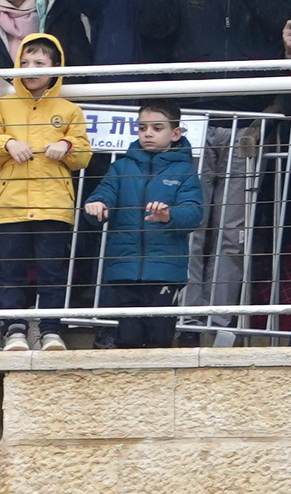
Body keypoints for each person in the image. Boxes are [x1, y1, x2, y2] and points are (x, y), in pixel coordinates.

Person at [0, 27, 87, 350]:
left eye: (39, 64)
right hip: (10, 205)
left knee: (51, 269)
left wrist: (66, 144)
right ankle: (14, 330)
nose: (30, 71)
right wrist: (8, 143)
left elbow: (83, 155)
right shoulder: (1, 107)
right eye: (24, 63)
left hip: (54, 205)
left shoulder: (69, 110)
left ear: (56, 67)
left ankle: (51, 331)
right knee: (9, 270)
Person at [80, 96, 205, 346]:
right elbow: (103, 196)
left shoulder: (184, 171)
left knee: (160, 337)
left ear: (175, 133)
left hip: (165, 273)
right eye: (142, 127)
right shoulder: (120, 168)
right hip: (123, 270)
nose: (148, 133)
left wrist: (169, 216)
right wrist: (96, 206)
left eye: (157, 128)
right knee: (128, 340)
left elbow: (194, 213)